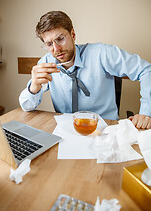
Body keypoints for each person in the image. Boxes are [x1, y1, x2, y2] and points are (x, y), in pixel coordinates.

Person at [19, 11, 151, 129]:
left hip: (105, 129)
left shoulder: (102, 53)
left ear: (73, 34)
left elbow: (146, 70)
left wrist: (146, 112)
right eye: (49, 44)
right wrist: (34, 87)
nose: (56, 49)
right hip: (66, 130)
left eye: (60, 39)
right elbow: (26, 106)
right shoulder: (46, 64)